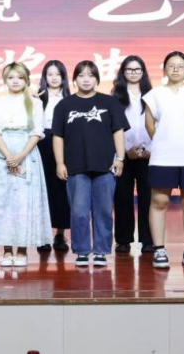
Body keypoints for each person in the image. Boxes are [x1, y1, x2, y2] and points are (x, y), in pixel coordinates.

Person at [53, 61, 127, 267]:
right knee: (79, 211)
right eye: (81, 75)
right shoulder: (64, 105)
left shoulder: (109, 102)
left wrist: (120, 158)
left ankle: (101, 251)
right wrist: (60, 163)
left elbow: (118, 131)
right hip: (75, 166)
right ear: (74, 79)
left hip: (105, 166)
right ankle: (82, 250)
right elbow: (58, 136)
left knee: (103, 211)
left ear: (97, 79)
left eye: (91, 75)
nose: (86, 79)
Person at [0, 62, 50, 267]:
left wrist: (20, 155)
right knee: (3, 200)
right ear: (4, 80)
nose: (15, 81)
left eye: (19, 77)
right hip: (1, 153)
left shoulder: (35, 103)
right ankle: (7, 250)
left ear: (26, 80)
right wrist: (8, 155)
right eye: (10, 77)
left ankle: (22, 249)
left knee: (24, 201)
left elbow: (37, 131)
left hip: (27, 152)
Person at [144, 51, 184, 270]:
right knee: (159, 201)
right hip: (163, 156)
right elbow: (149, 125)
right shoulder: (154, 95)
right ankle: (159, 249)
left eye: (180, 66)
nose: (175, 69)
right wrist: (164, 142)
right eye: (171, 65)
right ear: (164, 69)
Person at [111, 56, 154, 254]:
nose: (133, 73)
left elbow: (159, 124)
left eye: (137, 69)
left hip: (149, 154)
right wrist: (126, 150)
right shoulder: (115, 97)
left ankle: (148, 239)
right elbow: (113, 127)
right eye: (129, 69)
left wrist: (149, 149)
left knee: (148, 197)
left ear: (143, 72)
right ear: (123, 72)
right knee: (122, 197)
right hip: (123, 154)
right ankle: (123, 239)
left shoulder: (153, 95)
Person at [37, 60, 72, 251]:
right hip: (40, 143)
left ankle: (60, 234)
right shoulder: (36, 97)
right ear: (44, 77)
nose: (54, 78)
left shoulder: (70, 98)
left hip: (64, 144)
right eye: (50, 74)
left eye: (58, 74)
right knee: (42, 189)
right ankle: (43, 235)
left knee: (61, 189)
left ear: (64, 77)